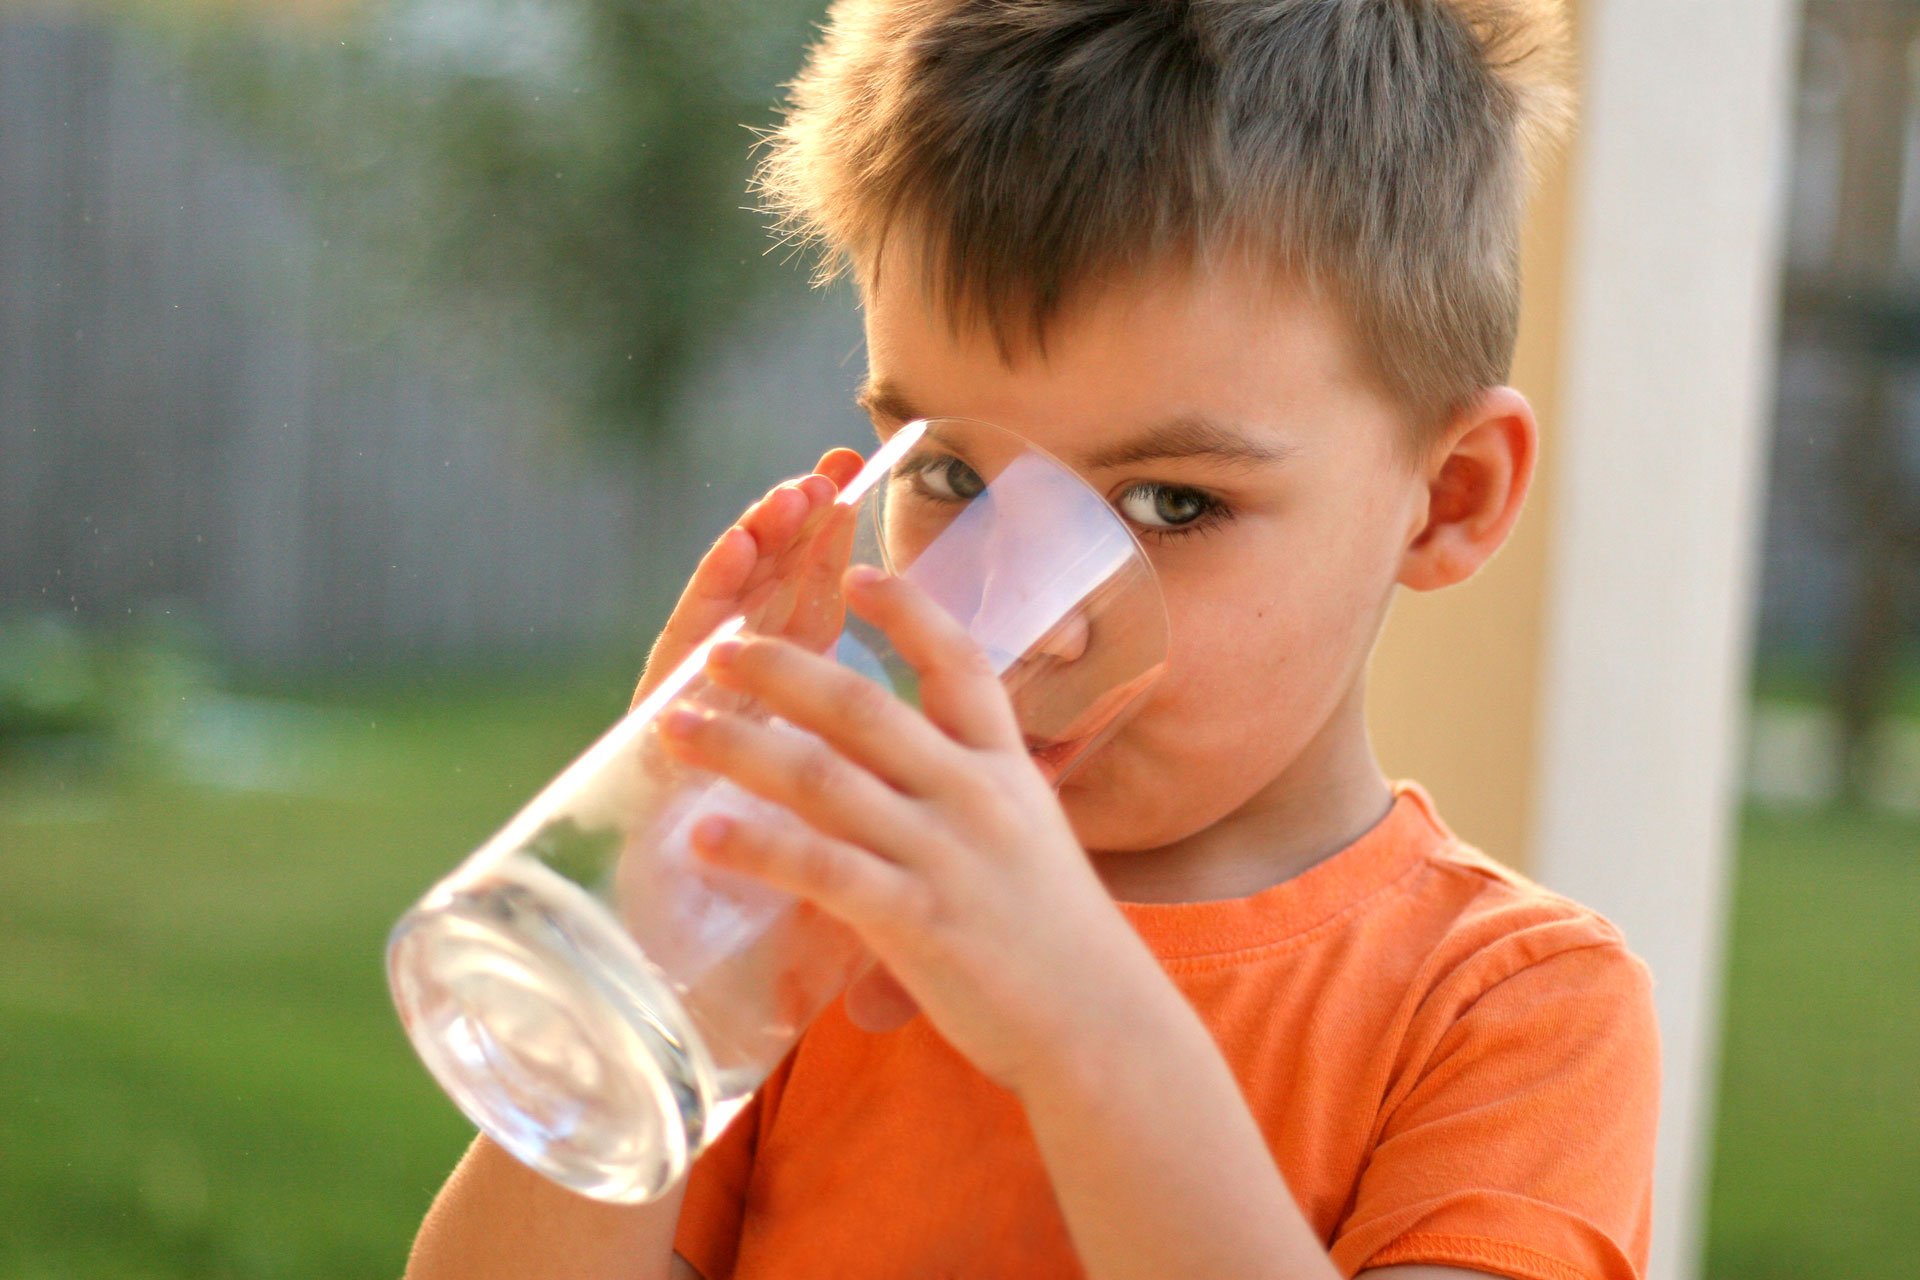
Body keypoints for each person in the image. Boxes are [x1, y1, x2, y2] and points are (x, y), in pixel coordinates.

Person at [404, 1, 1660, 1277]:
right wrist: (658, 917)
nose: (1033, 614)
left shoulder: (1510, 1008)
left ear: (1448, 498)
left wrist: (1082, 1028)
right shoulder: (830, 906)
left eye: (1173, 503)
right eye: (953, 471)